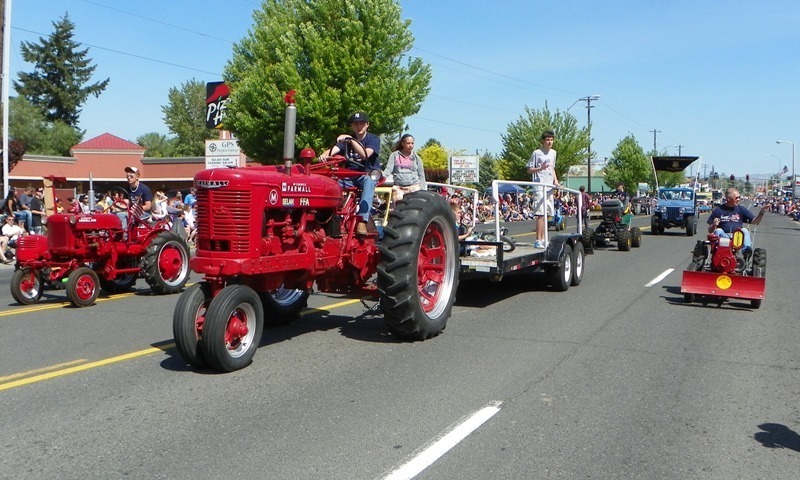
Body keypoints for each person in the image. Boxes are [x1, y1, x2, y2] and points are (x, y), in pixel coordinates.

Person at [319, 112, 381, 236]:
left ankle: (362, 221)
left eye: (362, 124)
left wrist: (351, 140)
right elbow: (332, 151)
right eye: (356, 124)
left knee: (368, 182)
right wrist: (324, 156)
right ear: (352, 126)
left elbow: (365, 155)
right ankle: (326, 216)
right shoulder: (347, 140)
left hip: (366, 174)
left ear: (367, 125)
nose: (359, 127)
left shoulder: (373, 139)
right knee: (330, 184)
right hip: (348, 176)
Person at [527, 130, 560, 248]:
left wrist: (556, 181)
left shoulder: (553, 153)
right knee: (540, 214)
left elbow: (552, 168)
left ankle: (545, 239)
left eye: (551, 139)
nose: (550, 142)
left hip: (549, 186)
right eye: (547, 140)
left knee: (547, 214)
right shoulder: (537, 153)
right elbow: (529, 169)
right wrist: (540, 169)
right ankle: (538, 239)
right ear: (543, 141)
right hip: (539, 185)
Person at [382, 134, 426, 202]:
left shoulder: (417, 158)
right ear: (402, 143)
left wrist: (423, 189)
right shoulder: (394, 155)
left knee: (414, 207)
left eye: (412, 143)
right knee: (399, 206)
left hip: (414, 186)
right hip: (399, 187)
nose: (410, 145)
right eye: (408, 143)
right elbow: (388, 170)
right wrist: (378, 177)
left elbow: (421, 175)